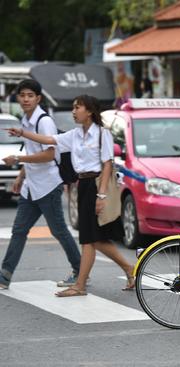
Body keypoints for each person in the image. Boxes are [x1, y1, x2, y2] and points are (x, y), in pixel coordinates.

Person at [7, 95, 135, 297]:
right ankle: (129, 270)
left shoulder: (102, 134)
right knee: (94, 239)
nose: (74, 111)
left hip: (95, 185)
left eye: (78, 107)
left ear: (90, 111)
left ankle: (80, 285)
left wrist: (101, 196)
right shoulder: (74, 135)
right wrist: (23, 132)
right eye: (73, 107)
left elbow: (108, 165)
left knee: (89, 239)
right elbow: (50, 140)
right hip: (82, 185)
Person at [0, 79, 81, 290]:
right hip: (31, 187)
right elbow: (32, 152)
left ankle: (80, 271)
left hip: (48, 185)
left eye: (30, 95)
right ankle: (4, 276)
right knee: (19, 231)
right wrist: (21, 175)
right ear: (17, 98)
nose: (25, 99)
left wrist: (18, 160)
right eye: (22, 95)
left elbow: (48, 154)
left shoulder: (43, 121)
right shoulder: (25, 120)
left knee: (59, 231)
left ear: (38, 98)